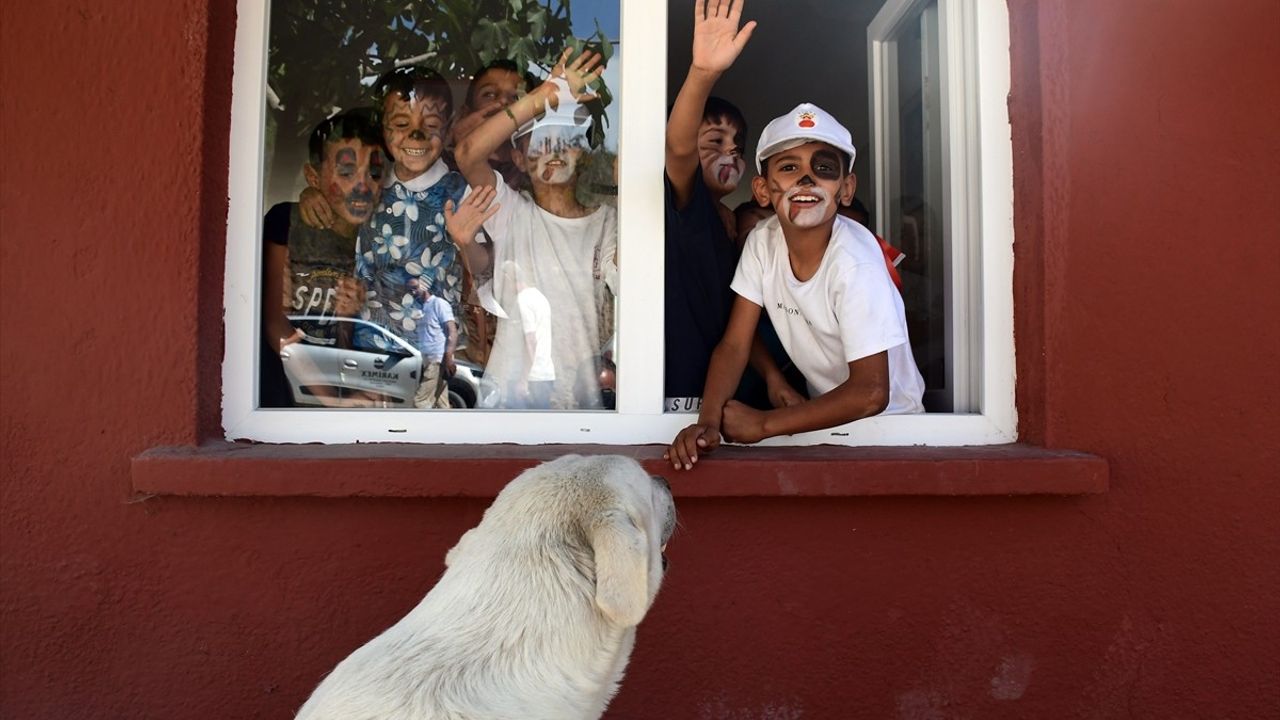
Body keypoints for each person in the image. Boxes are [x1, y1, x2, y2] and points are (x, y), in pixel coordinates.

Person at [666, 102, 926, 470]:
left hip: (889, 436)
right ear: (762, 189)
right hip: (822, 425)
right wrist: (707, 424)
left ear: (846, 188)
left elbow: (871, 393)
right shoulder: (762, 241)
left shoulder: (854, 262)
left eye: (823, 169)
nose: (806, 181)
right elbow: (735, 343)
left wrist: (763, 424)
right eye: (789, 168)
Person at [454, 47, 618, 409]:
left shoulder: (607, 221)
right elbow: (467, 153)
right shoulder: (513, 213)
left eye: (567, 138)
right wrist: (542, 96)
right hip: (510, 402)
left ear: (583, 155)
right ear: (517, 157)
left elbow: (625, 284)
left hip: (583, 402)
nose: (554, 147)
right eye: (540, 138)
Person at [663, 0, 757, 412]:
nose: (730, 154)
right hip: (686, 393)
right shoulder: (687, 204)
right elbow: (679, 149)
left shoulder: (732, 221)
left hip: (727, 394)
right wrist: (702, 74)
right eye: (715, 142)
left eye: (737, 147)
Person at [260, 109, 384, 407]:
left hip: (347, 397)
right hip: (281, 400)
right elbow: (274, 321)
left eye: (374, 173)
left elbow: (347, 340)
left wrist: (347, 317)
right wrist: (330, 400)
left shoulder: (377, 242)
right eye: (346, 172)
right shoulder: (285, 222)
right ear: (313, 176)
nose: (363, 184)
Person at [407, 278, 458, 409]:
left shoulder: (438, 303)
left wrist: (448, 357)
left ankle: (421, 429)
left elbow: (452, 331)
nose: (413, 292)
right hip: (429, 360)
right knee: (441, 402)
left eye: (415, 288)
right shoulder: (423, 308)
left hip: (438, 360)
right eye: (410, 290)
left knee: (420, 401)